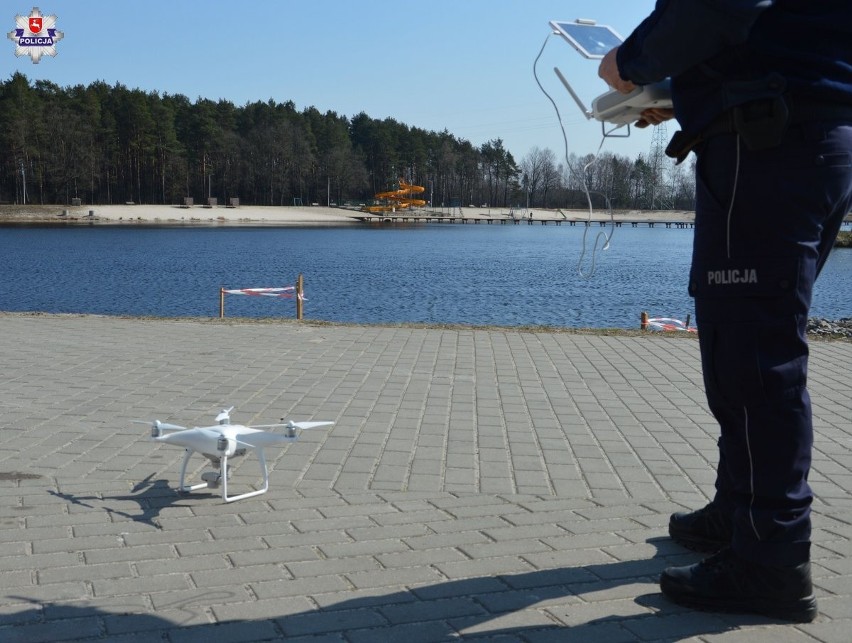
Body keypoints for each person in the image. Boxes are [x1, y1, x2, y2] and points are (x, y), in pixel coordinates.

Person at [598, 0, 852, 623]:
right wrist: (688, 92)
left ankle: (772, 557)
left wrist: (630, 63)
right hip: (796, 130)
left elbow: (720, 5)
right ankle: (742, 511)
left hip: (768, 142)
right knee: (740, 336)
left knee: (756, 354)